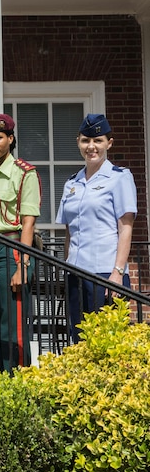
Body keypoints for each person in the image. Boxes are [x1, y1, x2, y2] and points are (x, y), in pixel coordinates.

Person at [56, 113, 136, 343]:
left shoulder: (120, 178)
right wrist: (67, 266)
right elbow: (69, 232)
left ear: (109, 143)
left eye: (98, 140)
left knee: (107, 342)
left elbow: (126, 228)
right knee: (79, 339)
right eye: (85, 140)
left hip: (105, 272)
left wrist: (117, 273)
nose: (91, 147)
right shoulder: (72, 183)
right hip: (77, 273)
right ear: (78, 142)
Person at [0, 113, 40, 372]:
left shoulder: (23, 173)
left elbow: (28, 223)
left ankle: (18, 381)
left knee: (12, 324)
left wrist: (23, 265)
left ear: (10, 139)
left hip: (12, 250)